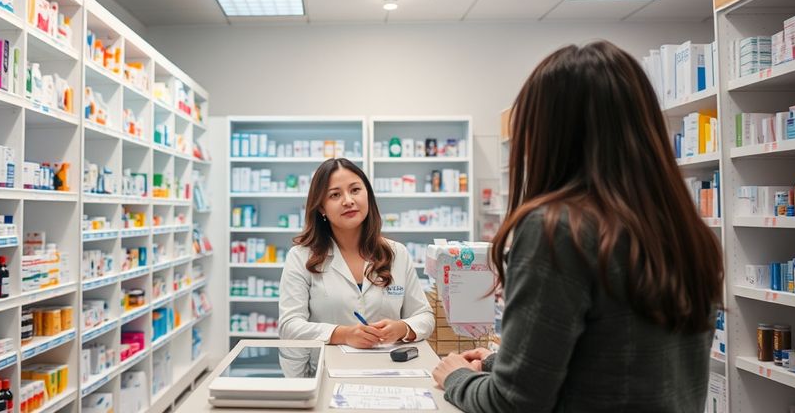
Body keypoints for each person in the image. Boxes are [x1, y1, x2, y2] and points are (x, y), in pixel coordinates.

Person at [432, 41, 724, 412]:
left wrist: (457, 375)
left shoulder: (556, 229)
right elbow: (624, 361)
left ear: (548, 135)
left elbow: (512, 405)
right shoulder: (683, 231)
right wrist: (497, 365)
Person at [278, 158, 434, 348]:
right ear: (321, 208)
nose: (348, 201)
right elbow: (289, 326)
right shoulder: (301, 257)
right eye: (335, 195)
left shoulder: (396, 253)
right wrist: (342, 334)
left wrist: (403, 328)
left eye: (355, 190)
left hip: (389, 368)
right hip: (327, 369)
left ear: (367, 195)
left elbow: (425, 316)